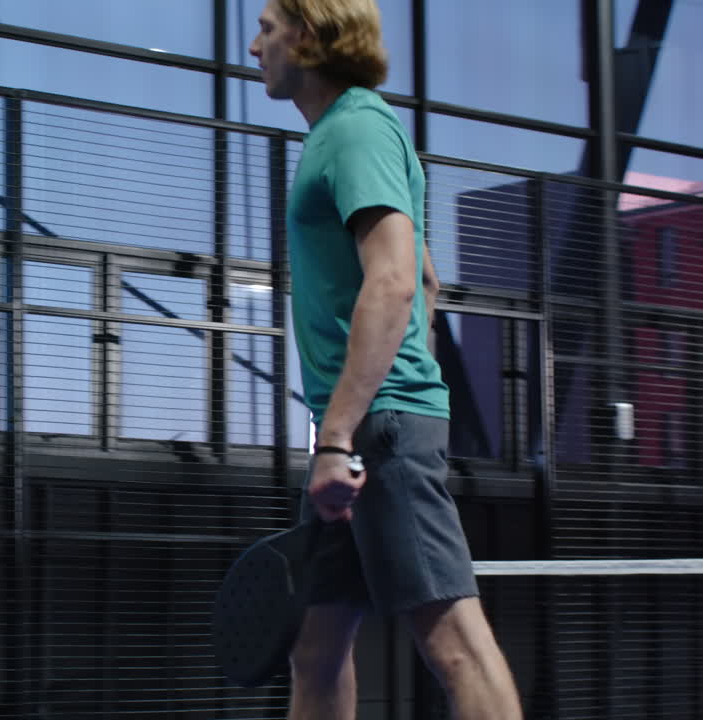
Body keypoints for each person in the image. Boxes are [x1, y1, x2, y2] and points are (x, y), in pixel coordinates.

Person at [248, 2, 523, 719]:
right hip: (373, 419)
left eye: (267, 28)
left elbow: (397, 280)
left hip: (376, 431)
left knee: (456, 645)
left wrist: (345, 432)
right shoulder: (343, 134)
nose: (254, 46)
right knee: (317, 649)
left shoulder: (356, 131)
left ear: (308, 35)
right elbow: (425, 277)